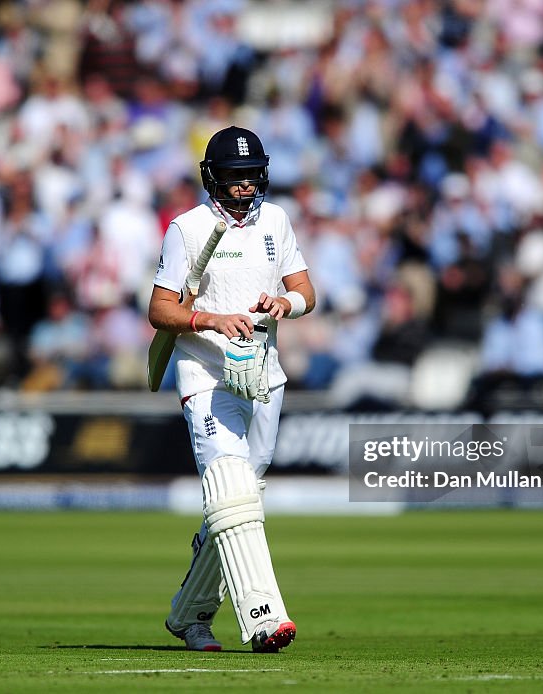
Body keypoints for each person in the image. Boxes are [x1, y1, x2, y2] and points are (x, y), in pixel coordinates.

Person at [148, 126, 316, 653]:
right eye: (233, 177)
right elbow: (160, 310)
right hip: (205, 376)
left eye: (250, 176)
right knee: (234, 490)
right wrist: (211, 319)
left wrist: (286, 306)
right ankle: (264, 618)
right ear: (212, 178)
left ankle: (189, 617)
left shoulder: (277, 220)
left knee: (234, 502)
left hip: (263, 373)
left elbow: (306, 290)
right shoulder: (187, 229)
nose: (244, 187)